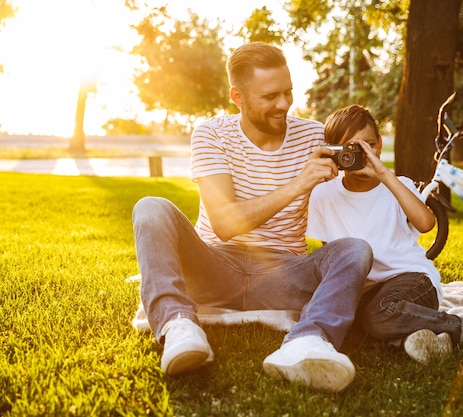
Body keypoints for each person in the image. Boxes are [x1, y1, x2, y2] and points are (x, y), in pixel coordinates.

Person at [131, 43, 373, 393]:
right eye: (270, 96)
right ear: (237, 96)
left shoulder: (314, 134)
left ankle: (307, 341)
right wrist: (299, 183)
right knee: (151, 207)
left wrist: (368, 166)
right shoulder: (212, 134)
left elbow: (360, 176)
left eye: (288, 92)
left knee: (355, 250)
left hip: (283, 274)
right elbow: (224, 224)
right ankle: (179, 326)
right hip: (215, 268)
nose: (284, 104)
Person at [306, 105, 463, 365]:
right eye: (352, 148)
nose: (362, 155)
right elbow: (336, 258)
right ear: (335, 151)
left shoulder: (400, 185)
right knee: (337, 318)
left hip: (411, 279)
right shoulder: (323, 194)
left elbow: (426, 223)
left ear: (379, 146)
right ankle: (427, 339)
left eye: (369, 146)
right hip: (366, 290)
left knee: (379, 316)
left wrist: (385, 175)